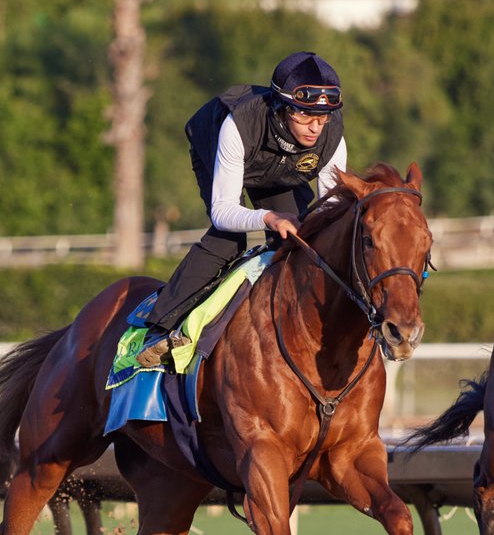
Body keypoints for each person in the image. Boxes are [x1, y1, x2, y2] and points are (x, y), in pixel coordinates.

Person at [136, 51, 347, 368]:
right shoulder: (238, 125)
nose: (315, 128)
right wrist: (268, 217)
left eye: (322, 117)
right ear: (280, 108)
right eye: (304, 115)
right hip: (219, 146)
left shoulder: (331, 136)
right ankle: (160, 328)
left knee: (302, 238)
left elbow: (331, 209)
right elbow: (223, 210)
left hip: (281, 170)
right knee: (229, 239)